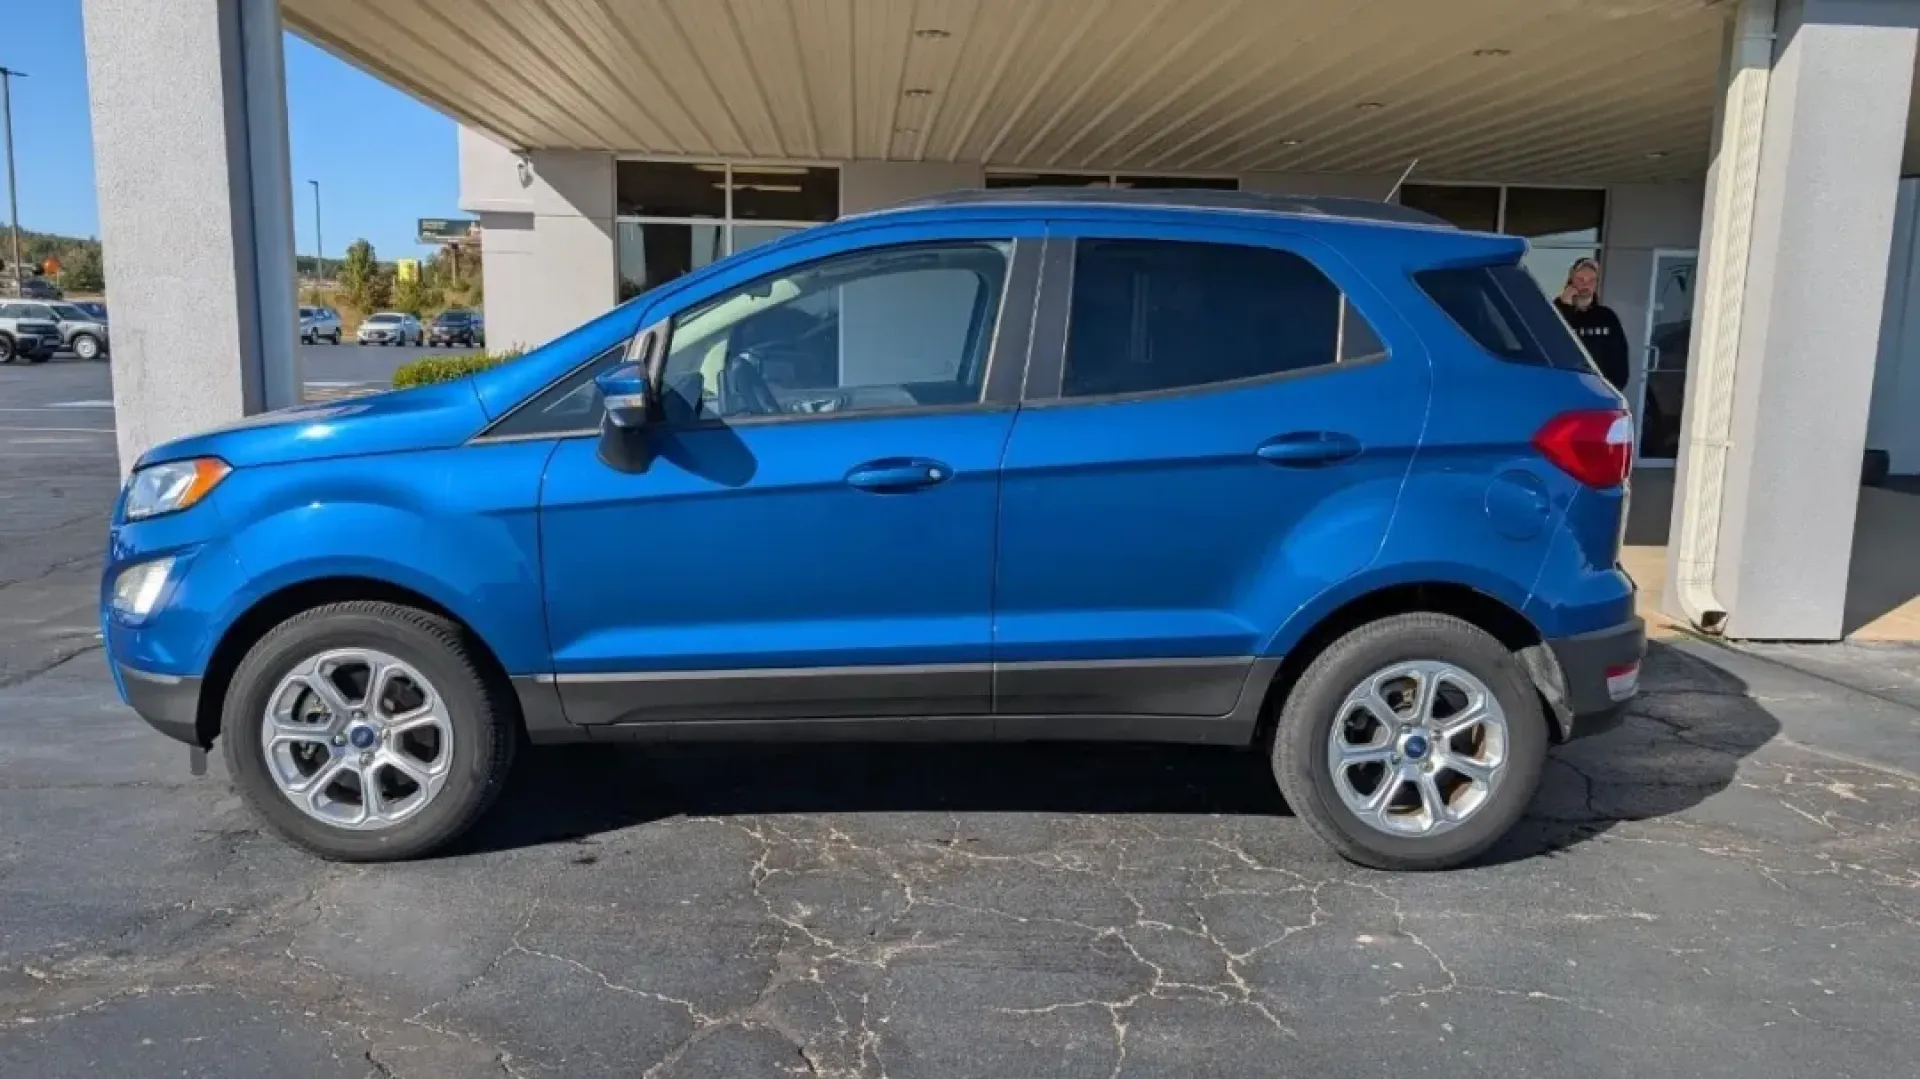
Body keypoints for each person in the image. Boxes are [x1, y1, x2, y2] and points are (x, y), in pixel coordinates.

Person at [1554, 258, 1630, 392]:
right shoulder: (1555, 311)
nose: (1586, 284)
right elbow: (1553, 339)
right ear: (1571, 280)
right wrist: (1564, 306)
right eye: (1581, 279)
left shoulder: (1606, 317)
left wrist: (1614, 388)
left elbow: (1619, 357)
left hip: (1598, 391)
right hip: (1564, 388)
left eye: (1591, 280)